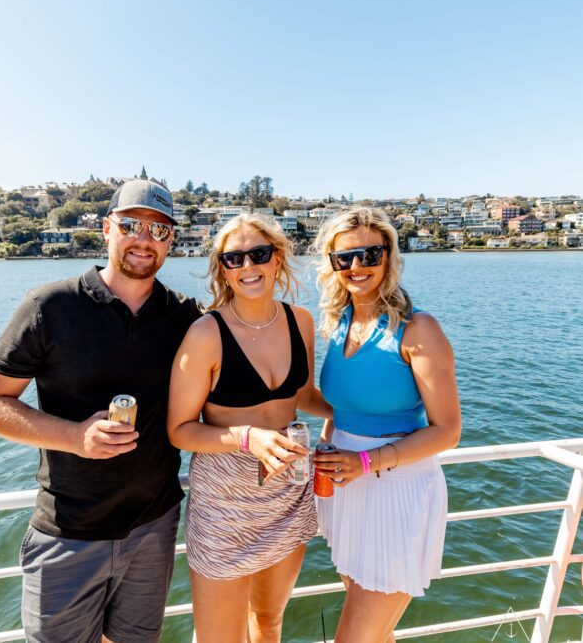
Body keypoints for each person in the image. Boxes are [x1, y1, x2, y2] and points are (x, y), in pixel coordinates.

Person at [0, 179, 201, 643]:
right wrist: (75, 437)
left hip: (153, 527)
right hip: (68, 531)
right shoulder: (50, 306)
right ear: (106, 228)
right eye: (132, 225)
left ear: (171, 241)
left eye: (159, 231)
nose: (144, 240)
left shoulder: (184, 317)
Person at [167, 213, 331, 643]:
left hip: (290, 488)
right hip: (225, 502)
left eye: (257, 254)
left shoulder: (301, 321)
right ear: (223, 268)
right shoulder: (206, 334)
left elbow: (304, 398)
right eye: (233, 258)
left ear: (277, 259)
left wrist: (366, 418)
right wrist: (245, 437)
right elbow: (180, 430)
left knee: (270, 621)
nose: (247, 267)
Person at [312, 207, 461, 643]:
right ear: (333, 264)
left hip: (399, 494)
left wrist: (365, 461)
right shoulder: (338, 324)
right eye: (345, 257)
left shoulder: (419, 329)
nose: (357, 266)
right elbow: (340, 409)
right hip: (345, 493)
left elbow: (447, 430)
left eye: (369, 254)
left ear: (389, 257)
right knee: (375, 635)